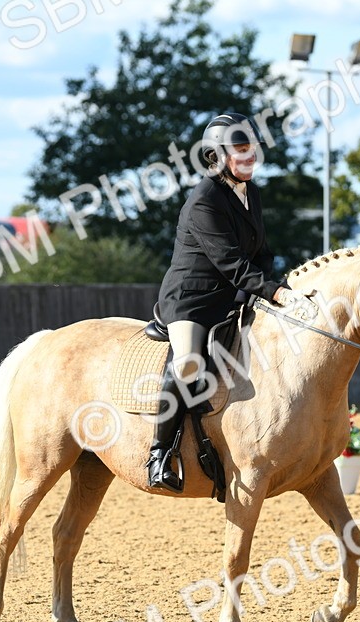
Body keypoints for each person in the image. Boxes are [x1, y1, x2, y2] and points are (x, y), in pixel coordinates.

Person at [146, 112, 307, 492]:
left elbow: (261, 253)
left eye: (251, 149)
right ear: (216, 156)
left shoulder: (252, 193)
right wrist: (274, 292)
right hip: (192, 299)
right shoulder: (204, 200)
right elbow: (232, 262)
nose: (250, 156)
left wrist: (275, 281)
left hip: (232, 296)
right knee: (187, 364)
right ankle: (159, 452)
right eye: (240, 150)